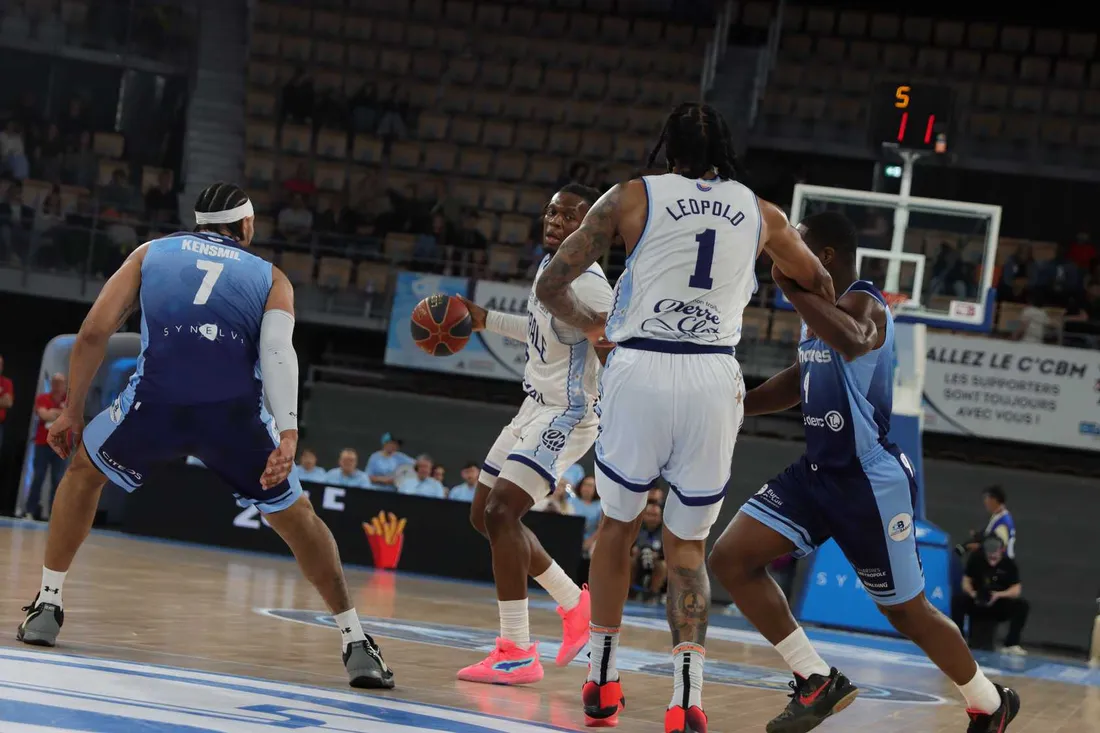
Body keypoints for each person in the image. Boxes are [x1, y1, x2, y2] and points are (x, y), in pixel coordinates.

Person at [16, 182, 394, 690]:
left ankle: (48, 604)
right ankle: (355, 642)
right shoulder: (271, 277)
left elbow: (92, 332)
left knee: (83, 472)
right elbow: (278, 353)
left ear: (197, 223)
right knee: (298, 519)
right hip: (232, 420)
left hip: (155, 409)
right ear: (246, 227)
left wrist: (72, 412)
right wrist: (287, 433)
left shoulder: (150, 253)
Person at [534, 102, 834, 732]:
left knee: (617, 527)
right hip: (711, 375)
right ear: (724, 150)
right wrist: (773, 266)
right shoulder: (763, 213)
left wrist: (595, 327)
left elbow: (552, 283)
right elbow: (819, 284)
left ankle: (602, 681)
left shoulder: (629, 197)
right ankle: (687, 700)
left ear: (667, 149)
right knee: (688, 544)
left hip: (640, 368)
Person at [707, 211, 1020, 733]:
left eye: (793, 249)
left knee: (906, 612)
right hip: (816, 474)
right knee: (732, 558)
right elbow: (799, 377)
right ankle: (816, 680)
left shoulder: (864, 300)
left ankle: (990, 702)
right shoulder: (817, 316)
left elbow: (853, 340)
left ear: (823, 257)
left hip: (868, 482)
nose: (782, 259)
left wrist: (790, 288)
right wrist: (738, 408)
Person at [454, 183, 610, 686]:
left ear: (590, 228)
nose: (554, 221)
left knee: (503, 512)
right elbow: (540, 331)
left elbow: (612, 352)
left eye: (568, 216)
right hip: (532, 407)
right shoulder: (550, 269)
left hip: (567, 415)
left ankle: (516, 650)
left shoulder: (593, 288)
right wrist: (484, 321)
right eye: (550, 212)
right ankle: (573, 604)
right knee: (484, 515)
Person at [952, 537, 1029, 655]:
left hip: (998, 603)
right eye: (989, 553)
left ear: (1001, 551)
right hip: (977, 601)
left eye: (995, 553)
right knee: (958, 600)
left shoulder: (1009, 564)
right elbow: (966, 581)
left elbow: (1016, 589)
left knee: (1022, 606)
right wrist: (973, 593)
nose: (992, 556)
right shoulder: (976, 559)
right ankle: (958, 640)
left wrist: (999, 595)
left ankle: (1011, 644)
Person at [25, 373, 68, 520]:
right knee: (38, 477)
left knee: (58, 480)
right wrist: (59, 414)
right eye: (55, 382)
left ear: (65, 385)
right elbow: (43, 416)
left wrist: (53, 413)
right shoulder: (42, 398)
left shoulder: (69, 402)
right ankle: (30, 510)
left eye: (60, 382)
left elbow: (69, 417)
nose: (57, 385)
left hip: (60, 446)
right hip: (42, 444)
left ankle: (53, 514)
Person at [632, 500, 666, 604]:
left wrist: (658, 555)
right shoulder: (635, 526)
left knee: (663, 565)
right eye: (649, 514)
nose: (651, 518)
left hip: (656, 560)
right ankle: (629, 592)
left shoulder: (666, 531)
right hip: (637, 559)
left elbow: (670, 552)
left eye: (655, 515)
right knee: (627, 561)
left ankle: (652, 594)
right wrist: (634, 550)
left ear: (660, 517)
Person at [982, 485, 1017, 559]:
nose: (985, 501)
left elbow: (997, 549)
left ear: (994, 500)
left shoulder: (1003, 523)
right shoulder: (999, 516)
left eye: (987, 498)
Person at [0, 355, 14, 459]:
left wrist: (4, 401)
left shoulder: (6, 382)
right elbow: (4, 401)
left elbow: (8, 403)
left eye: (1, 365)